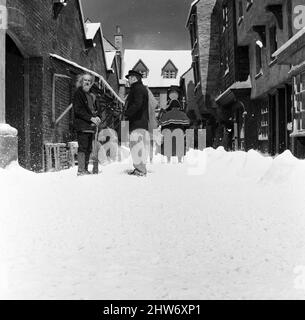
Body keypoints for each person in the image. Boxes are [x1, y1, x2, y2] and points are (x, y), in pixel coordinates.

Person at [73, 73, 101, 176]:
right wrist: (91, 118)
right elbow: (78, 110)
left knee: (89, 148)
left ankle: (85, 168)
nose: (87, 82)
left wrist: (98, 116)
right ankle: (81, 170)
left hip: (92, 127)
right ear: (81, 82)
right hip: (82, 125)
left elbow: (97, 109)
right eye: (85, 80)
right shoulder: (78, 94)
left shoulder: (92, 95)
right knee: (83, 147)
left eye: (89, 81)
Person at [124, 70, 149, 177]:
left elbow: (137, 104)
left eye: (129, 78)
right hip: (140, 122)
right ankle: (140, 168)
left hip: (137, 122)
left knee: (136, 146)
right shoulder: (140, 88)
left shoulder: (137, 89)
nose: (128, 81)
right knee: (139, 146)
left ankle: (140, 170)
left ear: (134, 78)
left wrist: (127, 113)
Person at [159, 99, 190, 163]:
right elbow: (187, 123)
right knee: (180, 146)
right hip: (179, 132)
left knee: (168, 145)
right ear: (179, 106)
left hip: (168, 132)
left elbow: (161, 123)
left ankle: (168, 160)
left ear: (170, 106)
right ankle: (179, 160)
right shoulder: (182, 114)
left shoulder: (167, 114)